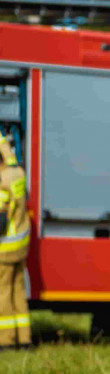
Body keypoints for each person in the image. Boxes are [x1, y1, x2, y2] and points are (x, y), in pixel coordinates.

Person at [0, 132, 31, 349]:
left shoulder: (2, 183)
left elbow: (0, 221)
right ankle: (25, 339)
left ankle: (6, 340)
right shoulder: (18, 173)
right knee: (19, 292)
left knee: (3, 294)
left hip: (6, 248)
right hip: (21, 246)